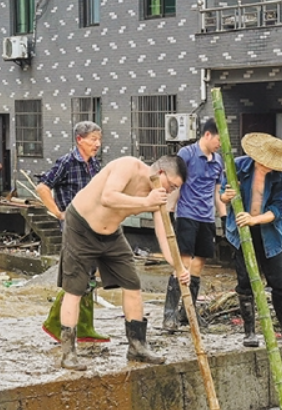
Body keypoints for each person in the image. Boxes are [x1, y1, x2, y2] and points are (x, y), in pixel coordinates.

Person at [57, 154, 189, 370]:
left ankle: (137, 345)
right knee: (75, 289)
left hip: (112, 235)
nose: (171, 191)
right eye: (172, 186)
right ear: (161, 173)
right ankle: (68, 353)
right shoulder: (128, 166)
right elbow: (108, 197)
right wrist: (145, 202)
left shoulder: (157, 196)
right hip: (80, 227)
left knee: (133, 284)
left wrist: (178, 267)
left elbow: (164, 233)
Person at [222, 132, 282, 347]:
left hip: (270, 233)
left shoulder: (280, 177)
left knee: (280, 280)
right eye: (266, 164)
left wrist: (255, 219)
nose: (269, 167)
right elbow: (222, 193)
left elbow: (278, 209)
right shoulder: (238, 166)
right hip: (241, 232)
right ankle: (249, 332)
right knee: (245, 281)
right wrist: (227, 196)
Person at [35, 122, 107, 344]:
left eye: (99, 139)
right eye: (93, 139)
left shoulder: (95, 165)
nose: (97, 144)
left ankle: (85, 326)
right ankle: (56, 325)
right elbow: (42, 186)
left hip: (93, 223)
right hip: (73, 224)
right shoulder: (67, 162)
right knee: (77, 273)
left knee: (90, 272)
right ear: (79, 140)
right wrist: (57, 212)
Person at [162, 119, 228, 332]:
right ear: (208, 135)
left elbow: (217, 192)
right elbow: (175, 185)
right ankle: (169, 315)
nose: (220, 144)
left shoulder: (218, 161)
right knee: (183, 265)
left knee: (198, 265)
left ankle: (187, 312)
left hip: (207, 218)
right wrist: (169, 214)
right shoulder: (187, 154)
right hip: (187, 216)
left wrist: (224, 217)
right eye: (219, 139)